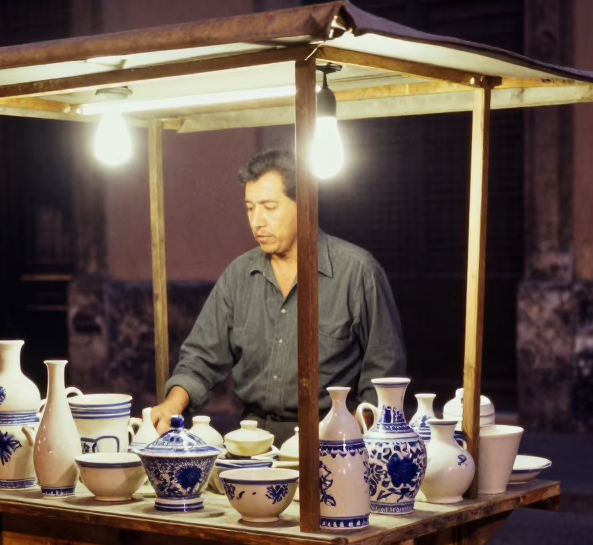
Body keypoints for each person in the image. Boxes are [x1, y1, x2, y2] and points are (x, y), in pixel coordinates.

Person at [150, 149, 406, 445]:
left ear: (305, 205)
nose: (257, 221)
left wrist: (356, 437)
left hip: (332, 441)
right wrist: (172, 404)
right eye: (249, 208)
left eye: (269, 207)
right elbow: (200, 357)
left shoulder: (358, 273)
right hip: (252, 441)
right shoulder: (239, 275)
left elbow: (384, 376)